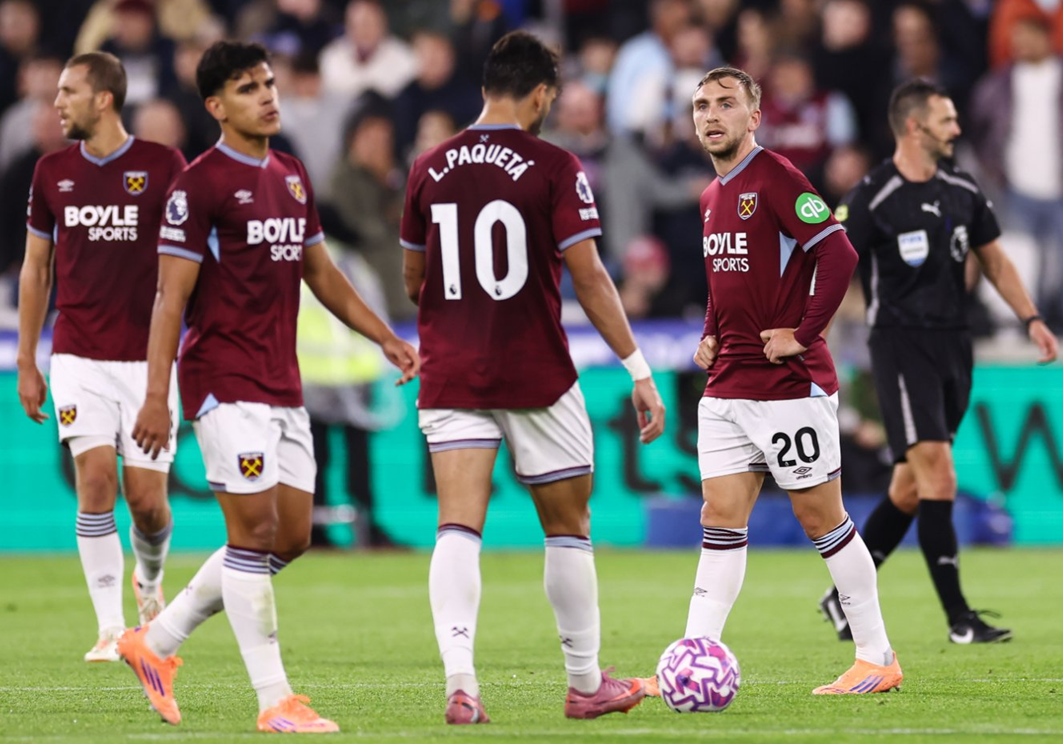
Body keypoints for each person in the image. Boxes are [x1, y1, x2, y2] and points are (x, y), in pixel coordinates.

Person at [114, 41, 419, 733]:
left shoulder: (290, 175)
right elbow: (169, 298)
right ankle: (274, 699)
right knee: (251, 533)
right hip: (223, 379)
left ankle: (154, 645)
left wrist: (384, 335)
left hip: (283, 383)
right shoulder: (199, 186)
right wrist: (157, 396)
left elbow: (322, 274)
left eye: (270, 83)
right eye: (249, 87)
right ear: (216, 106)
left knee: (290, 535)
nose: (268, 95)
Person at [401, 30, 666, 724]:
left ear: (487, 85)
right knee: (567, 526)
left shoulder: (429, 166)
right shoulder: (555, 165)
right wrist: (637, 367)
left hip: (452, 370)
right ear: (541, 93)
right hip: (535, 372)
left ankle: (461, 682)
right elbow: (589, 275)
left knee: (457, 527)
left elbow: (412, 278)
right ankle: (584, 684)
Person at [650, 66, 902, 696]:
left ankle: (877, 656)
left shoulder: (777, 178)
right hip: (728, 385)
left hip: (789, 386)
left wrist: (805, 333)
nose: (711, 115)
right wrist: (710, 329)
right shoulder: (711, 197)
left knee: (823, 518)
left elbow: (838, 252)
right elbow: (724, 278)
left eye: (725, 104)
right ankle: (695, 655)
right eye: (701, 105)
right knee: (720, 518)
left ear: (753, 117)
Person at [819, 79, 1058, 644]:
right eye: (946, 120)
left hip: (955, 345)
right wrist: (811, 338)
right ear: (914, 126)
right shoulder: (874, 195)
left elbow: (994, 261)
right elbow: (832, 268)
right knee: (939, 473)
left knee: (909, 487)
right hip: (900, 346)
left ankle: (840, 598)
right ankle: (959, 619)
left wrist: (1031, 319)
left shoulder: (962, 189)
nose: (957, 128)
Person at [17, 52, 186, 662]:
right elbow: (37, 268)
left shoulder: (163, 166)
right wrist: (30, 360)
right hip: (78, 355)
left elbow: (191, 263)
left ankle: (150, 576)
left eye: (67, 92)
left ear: (104, 99)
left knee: (146, 502)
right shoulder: (50, 172)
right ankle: (112, 629)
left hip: (149, 361)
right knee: (95, 482)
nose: (56, 102)